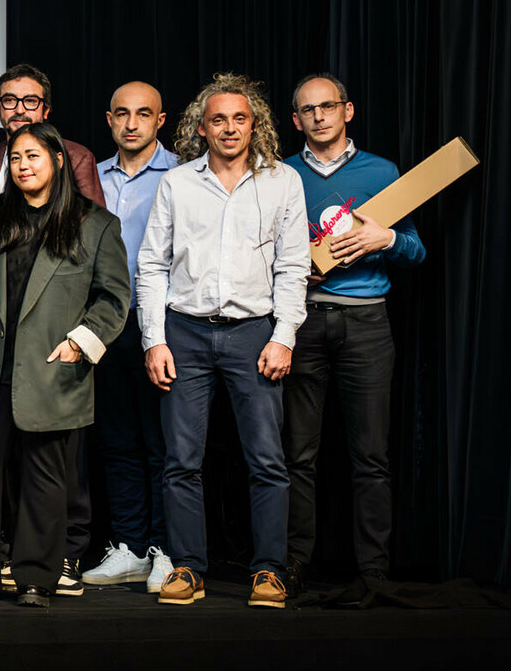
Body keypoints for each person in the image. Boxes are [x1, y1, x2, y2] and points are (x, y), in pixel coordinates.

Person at [0, 123, 133, 605]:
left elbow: (113, 298)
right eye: (16, 157)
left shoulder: (95, 224)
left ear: (58, 160)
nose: (23, 164)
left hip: (54, 369)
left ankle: (35, 579)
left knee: (46, 480)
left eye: (33, 155)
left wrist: (81, 342)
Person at [137, 73, 310, 609]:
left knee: (267, 460)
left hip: (254, 333)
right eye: (218, 119)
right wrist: (154, 340)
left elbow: (293, 266)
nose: (229, 128)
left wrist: (283, 336)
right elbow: (151, 265)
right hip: (184, 334)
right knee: (181, 461)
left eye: (239, 118)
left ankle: (269, 572)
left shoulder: (283, 181)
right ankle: (188, 567)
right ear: (201, 127)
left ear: (253, 124)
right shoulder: (178, 183)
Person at [283, 73, 425, 583]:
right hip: (299, 325)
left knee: (371, 454)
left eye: (328, 106)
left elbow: (416, 249)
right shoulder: (281, 175)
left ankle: (373, 570)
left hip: (366, 324)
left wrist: (385, 238)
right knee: (297, 454)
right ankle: (292, 565)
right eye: (307, 110)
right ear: (295, 119)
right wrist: (296, 264)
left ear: (348, 111)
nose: (318, 117)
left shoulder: (382, 171)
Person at [82, 81, 180, 591]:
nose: (132, 123)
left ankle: (166, 549)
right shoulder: (91, 177)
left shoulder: (186, 174)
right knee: (117, 442)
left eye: (144, 114)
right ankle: (129, 548)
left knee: (165, 444)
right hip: (106, 323)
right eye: (122, 114)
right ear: (109, 118)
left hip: (164, 325)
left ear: (160, 120)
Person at [0, 64, 104, 206]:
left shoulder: (77, 158)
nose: (19, 110)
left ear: (45, 111)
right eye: (9, 100)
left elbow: (96, 223)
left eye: (30, 101)